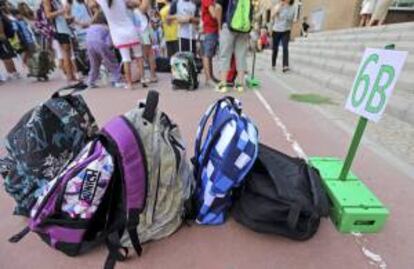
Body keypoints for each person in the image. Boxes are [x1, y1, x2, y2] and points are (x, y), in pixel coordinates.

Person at [93, 0, 148, 90]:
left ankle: (129, 84)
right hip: (131, 30)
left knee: (126, 59)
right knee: (139, 56)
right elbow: (137, 3)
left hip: (118, 35)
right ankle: (143, 79)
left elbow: (90, 3)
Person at [215, 0, 250, 92]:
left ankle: (223, 84)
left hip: (228, 25)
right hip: (243, 28)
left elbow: (218, 7)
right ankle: (240, 85)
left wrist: (219, 26)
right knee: (241, 56)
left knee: (224, 55)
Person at [43, 0, 78, 84]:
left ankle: (72, 75)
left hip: (64, 28)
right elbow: (48, 15)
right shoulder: (47, 1)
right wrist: (61, 11)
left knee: (68, 53)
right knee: (66, 53)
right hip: (59, 29)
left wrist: (68, 16)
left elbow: (63, 14)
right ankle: (70, 76)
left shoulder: (57, 1)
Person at [85, 11, 123, 88]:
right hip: (100, 43)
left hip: (88, 44)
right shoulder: (106, 28)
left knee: (94, 64)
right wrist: (110, 49)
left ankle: (90, 81)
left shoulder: (91, 27)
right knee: (111, 61)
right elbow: (109, 42)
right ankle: (116, 79)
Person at [271, 0, 295, 73]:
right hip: (276, 30)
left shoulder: (292, 8)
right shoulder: (278, 5)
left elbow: (291, 20)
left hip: (286, 30)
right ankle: (273, 64)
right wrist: (279, 8)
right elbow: (272, 16)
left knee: (285, 47)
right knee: (275, 49)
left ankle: (285, 66)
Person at [0, 1, 20, 80]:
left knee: (5, 56)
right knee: (5, 55)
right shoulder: (2, 13)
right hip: (4, 36)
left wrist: (1, 34)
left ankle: (12, 72)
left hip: (2, 37)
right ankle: (12, 72)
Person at [201, 0, 219, 86]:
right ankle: (208, 79)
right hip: (209, 29)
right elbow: (214, 14)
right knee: (207, 54)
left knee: (210, 54)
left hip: (212, 29)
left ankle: (211, 76)